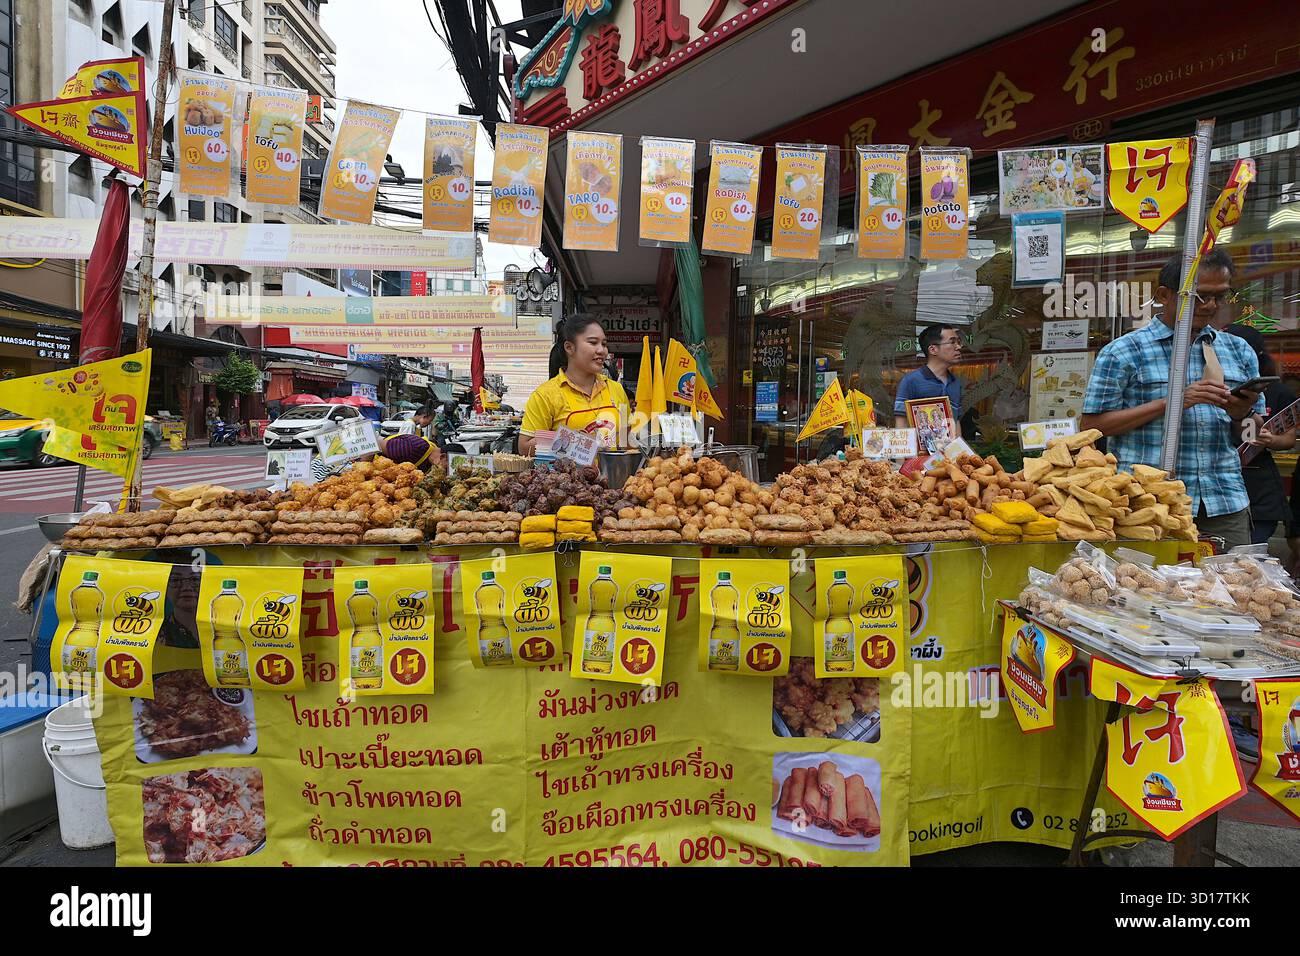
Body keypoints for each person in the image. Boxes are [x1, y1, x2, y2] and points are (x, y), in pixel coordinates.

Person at [1080, 249, 1265, 551]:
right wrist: (1172, 402)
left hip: (1223, 501)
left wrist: (1242, 413)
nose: (1212, 306)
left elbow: (1253, 434)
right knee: (1144, 592)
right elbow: (1091, 426)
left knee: (1230, 591)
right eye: (1199, 296)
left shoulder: (1238, 350)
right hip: (1147, 504)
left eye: (1220, 296)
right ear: (1164, 295)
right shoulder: (1124, 352)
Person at [1222, 323, 1297, 545]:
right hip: (1221, 484)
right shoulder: (1214, 387)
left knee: (1250, 554)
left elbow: (1288, 440)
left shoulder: (1278, 392)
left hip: (1259, 487)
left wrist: (1270, 440)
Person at [521, 314, 629, 457]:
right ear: (569, 347)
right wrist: (577, 442)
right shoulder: (545, 395)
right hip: (568, 478)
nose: (602, 350)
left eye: (604, 344)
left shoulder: (616, 389)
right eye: (593, 342)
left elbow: (626, 439)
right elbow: (524, 447)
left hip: (614, 477)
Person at [894, 325, 963, 436]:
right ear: (933, 349)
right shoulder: (911, 381)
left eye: (958, 342)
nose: (958, 347)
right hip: (920, 452)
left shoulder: (955, 383)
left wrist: (960, 451)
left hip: (950, 452)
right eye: (952, 342)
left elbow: (956, 422)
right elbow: (901, 425)